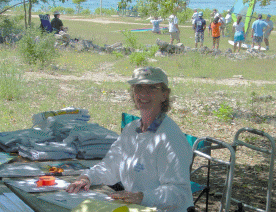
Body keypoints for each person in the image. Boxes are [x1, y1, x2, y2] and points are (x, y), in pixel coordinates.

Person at [66, 66, 195, 212]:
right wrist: (87, 177)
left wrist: (141, 197)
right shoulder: (131, 129)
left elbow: (179, 193)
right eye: (138, 87)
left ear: (164, 95)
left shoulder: (170, 138)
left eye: (152, 88)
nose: (144, 93)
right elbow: (110, 166)